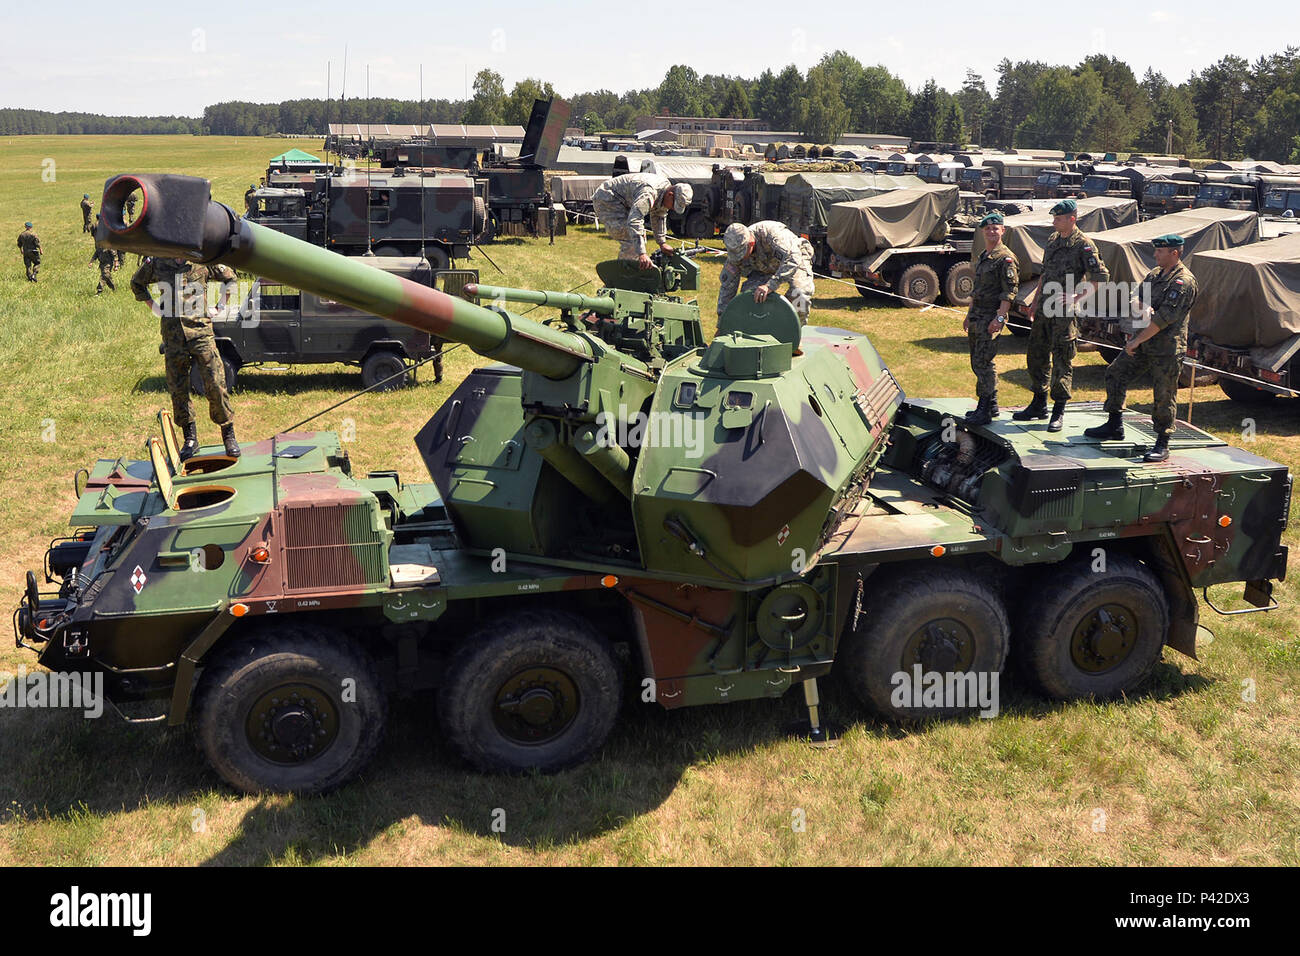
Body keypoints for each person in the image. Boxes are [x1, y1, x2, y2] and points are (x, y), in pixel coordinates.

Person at [1084, 234, 1197, 462]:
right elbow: (1135, 295)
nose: (1155, 254)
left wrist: (1135, 341)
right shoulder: (1155, 275)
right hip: (1144, 342)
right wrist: (1141, 305)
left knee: (1164, 395)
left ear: (1174, 253)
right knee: (1115, 373)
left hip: (1165, 348)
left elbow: (1163, 319)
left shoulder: (1183, 282)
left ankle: (1162, 443)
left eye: (1160, 251)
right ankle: (1114, 424)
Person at [1012, 198, 1110, 432]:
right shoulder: (1054, 240)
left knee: (1062, 359)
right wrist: (1033, 303)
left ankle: (1059, 411)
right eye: (1054, 218)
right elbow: (1045, 274)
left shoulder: (1084, 244)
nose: (1054, 222)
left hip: (1065, 314)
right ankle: (1038, 404)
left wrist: (1078, 298)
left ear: (1071, 219)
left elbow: (1101, 276)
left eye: (1058, 219)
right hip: (1045, 308)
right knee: (1036, 355)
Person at [131, 256, 240, 459]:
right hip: (173, 337)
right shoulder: (158, 262)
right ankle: (190, 439)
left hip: (201, 333)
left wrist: (219, 307)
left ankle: (228, 434)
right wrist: (155, 308)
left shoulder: (202, 259)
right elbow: (137, 283)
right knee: (178, 388)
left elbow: (230, 279)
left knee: (215, 383)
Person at [963, 211, 1019, 426]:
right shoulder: (984, 256)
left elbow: (1009, 293)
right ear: (983, 232)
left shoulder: (1005, 258)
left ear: (1002, 231)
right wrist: (969, 314)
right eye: (987, 228)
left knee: (983, 362)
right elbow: (977, 290)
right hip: (978, 315)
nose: (991, 231)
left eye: (995, 228)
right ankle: (991, 403)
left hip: (990, 318)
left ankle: (984, 408)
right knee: (978, 361)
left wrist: (1000, 319)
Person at [718, 221, 815, 322]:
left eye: (742, 254)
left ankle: (793, 330)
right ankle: (756, 330)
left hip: (796, 258)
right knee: (750, 296)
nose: (740, 258)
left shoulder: (773, 234)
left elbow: (793, 259)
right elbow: (727, 287)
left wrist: (770, 285)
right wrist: (722, 323)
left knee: (800, 293)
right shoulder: (735, 248)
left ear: (750, 243)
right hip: (763, 267)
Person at [591, 172, 692, 269]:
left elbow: (659, 214)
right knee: (631, 239)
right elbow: (634, 221)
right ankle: (624, 279)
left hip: (622, 201)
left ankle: (629, 273)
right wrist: (642, 253)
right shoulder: (649, 193)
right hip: (607, 199)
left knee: (637, 238)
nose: (673, 209)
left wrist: (662, 243)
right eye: (674, 205)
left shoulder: (665, 191)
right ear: (670, 195)